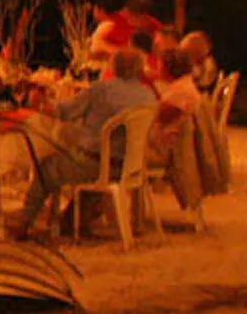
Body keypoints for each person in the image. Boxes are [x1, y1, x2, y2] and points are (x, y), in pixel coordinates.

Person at [10, 48, 159, 240]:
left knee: (46, 166)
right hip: (130, 165)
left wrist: (38, 101)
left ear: (113, 66)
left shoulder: (102, 90)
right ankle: (71, 221)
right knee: (80, 149)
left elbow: (61, 112)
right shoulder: (147, 95)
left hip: (97, 166)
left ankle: (24, 223)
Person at [90, 0, 162, 62]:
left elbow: (156, 54)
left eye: (130, 16)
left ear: (144, 16)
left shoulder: (156, 29)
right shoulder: (113, 23)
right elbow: (96, 46)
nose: (126, 17)